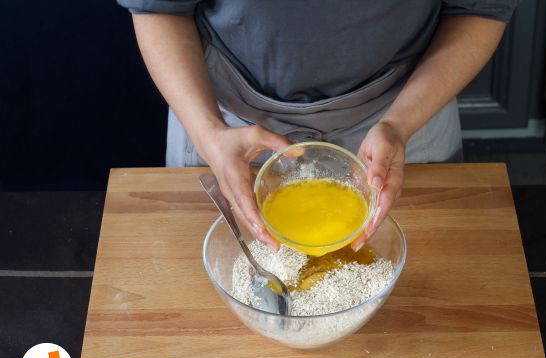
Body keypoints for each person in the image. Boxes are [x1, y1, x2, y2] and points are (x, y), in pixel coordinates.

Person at [118, 0, 516, 250]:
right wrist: (209, 134)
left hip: (407, 110)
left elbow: (477, 9)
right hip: (225, 121)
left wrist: (399, 124)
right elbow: (158, 8)